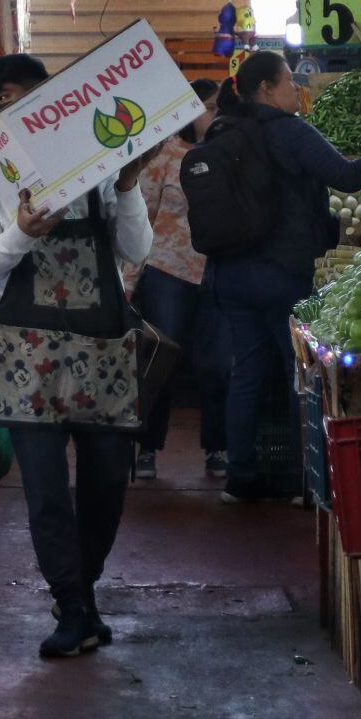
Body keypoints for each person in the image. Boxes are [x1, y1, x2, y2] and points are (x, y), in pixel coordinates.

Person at [0, 53, 154, 658]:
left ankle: (84, 591)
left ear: (47, 96)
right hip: (26, 355)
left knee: (106, 484)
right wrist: (21, 232)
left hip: (102, 350)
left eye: (10, 94)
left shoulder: (100, 161)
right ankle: (72, 607)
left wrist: (127, 186)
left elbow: (136, 250)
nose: (0, 107)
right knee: (45, 491)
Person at [206, 51, 361, 503]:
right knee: (300, 374)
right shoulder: (288, 130)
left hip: (231, 272)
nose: (295, 88)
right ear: (266, 89)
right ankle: (305, 481)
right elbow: (346, 175)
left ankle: (240, 477)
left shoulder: (227, 128)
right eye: (287, 81)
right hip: (281, 272)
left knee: (246, 373)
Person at [125, 78, 228, 481]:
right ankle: (147, 447)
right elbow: (140, 215)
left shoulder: (228, 152)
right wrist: (129, 280)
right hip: (167, 270)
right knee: (161, 361)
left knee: (217, 364)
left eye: (219, 108)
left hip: (217, 270)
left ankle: (217, 446)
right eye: (209, 107)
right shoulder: (164, 153)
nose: (215, 116)